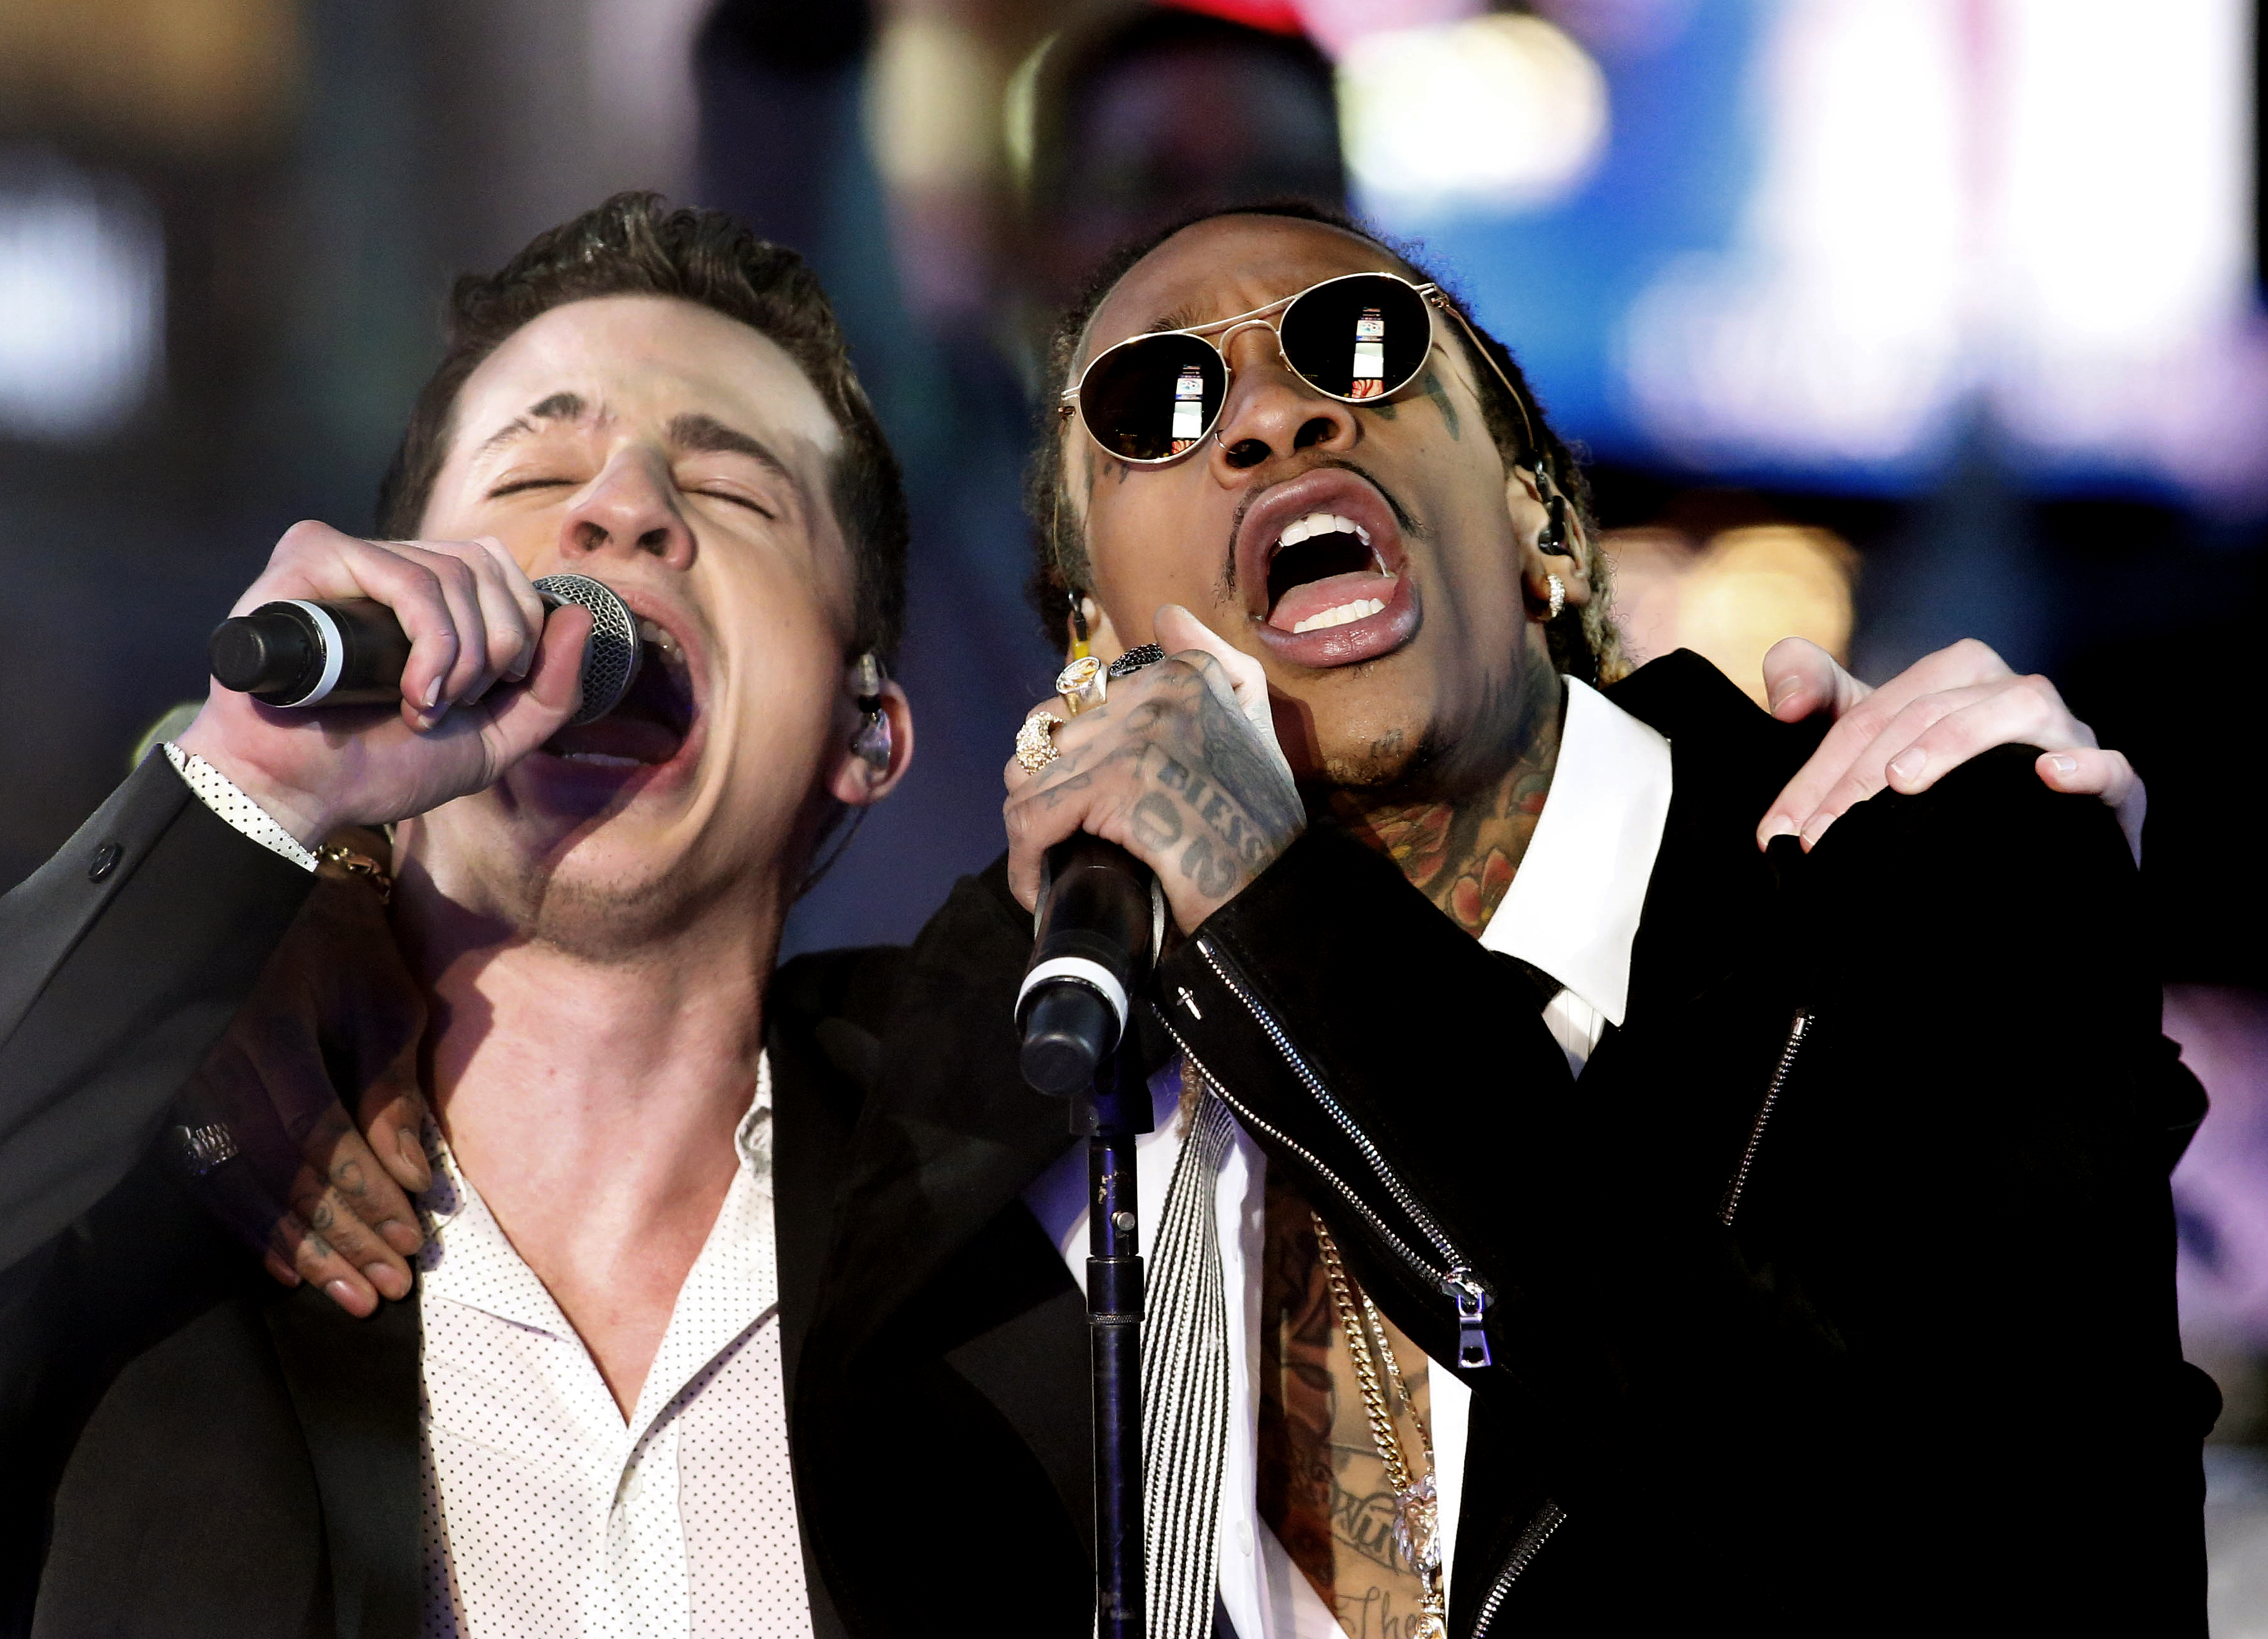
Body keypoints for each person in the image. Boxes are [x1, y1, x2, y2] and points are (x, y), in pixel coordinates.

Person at [0, 196, 2168, 1639]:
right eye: (1158, 408)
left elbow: (1977, 1548)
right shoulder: (981, 1073)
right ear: (1088, 640)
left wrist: (1285, 912)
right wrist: (256, 848)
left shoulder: (1910, 882)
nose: (1276, 411)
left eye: (1355, 349)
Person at [0, 194, 916, 1637]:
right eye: (534, 470)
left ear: (867, 730)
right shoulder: (146, 1212)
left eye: (733, 492)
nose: (623, 505)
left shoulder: (1009, 1206)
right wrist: (251, 792)